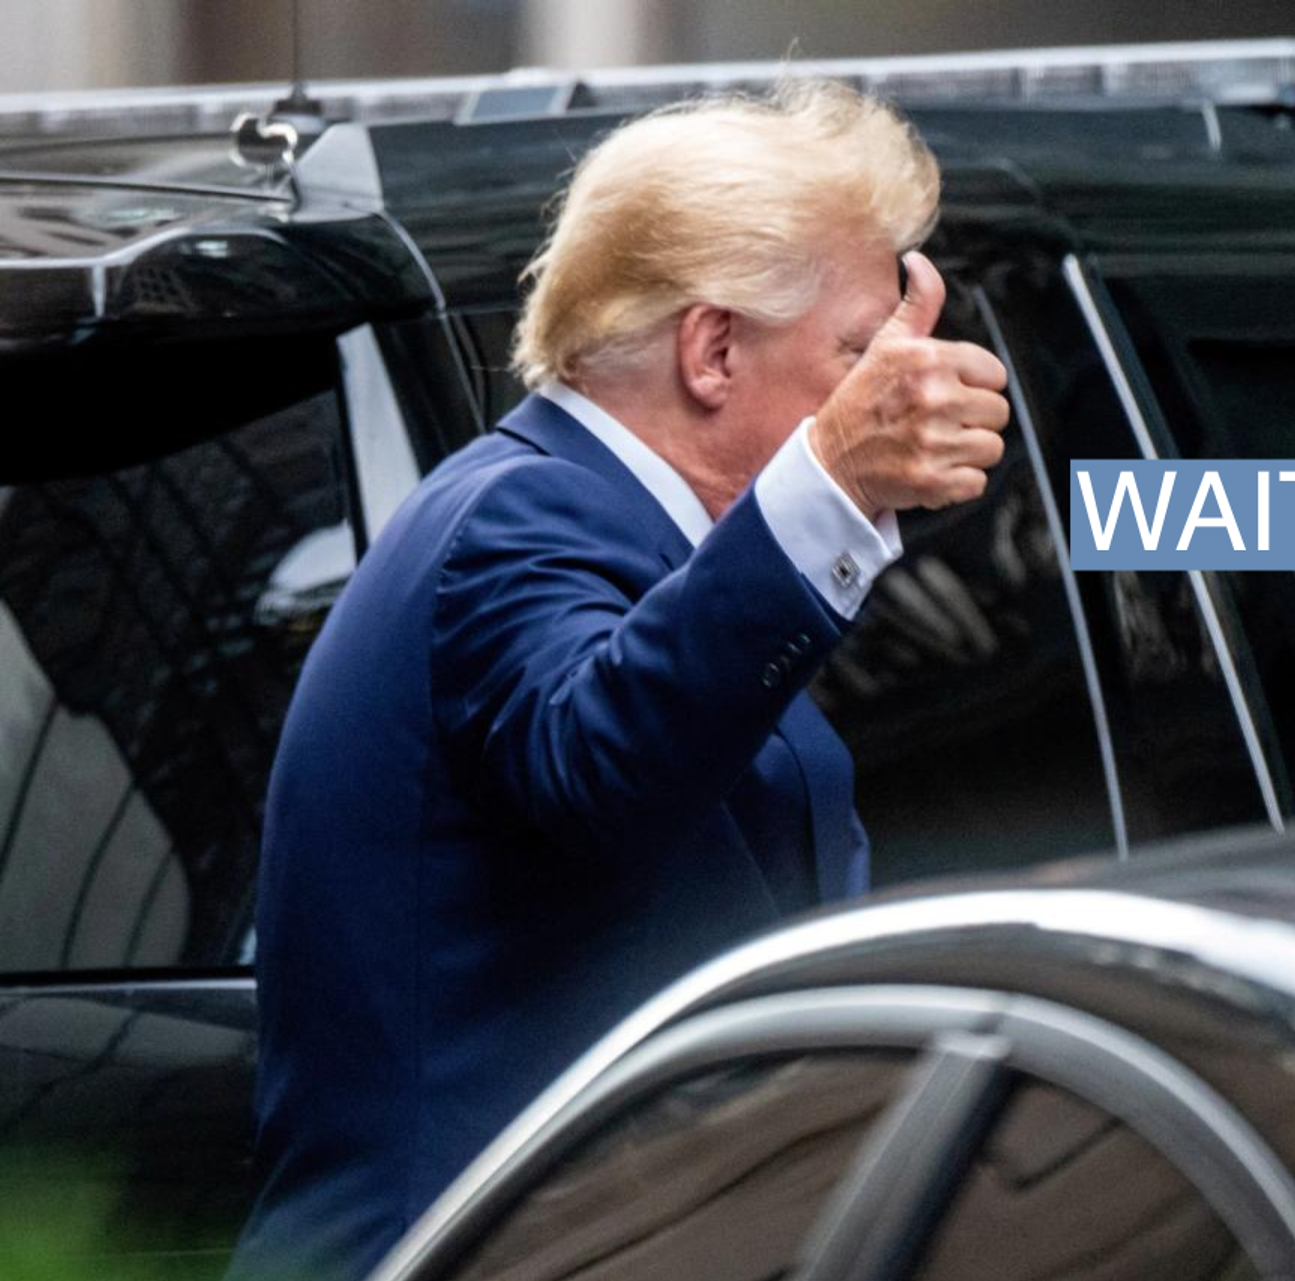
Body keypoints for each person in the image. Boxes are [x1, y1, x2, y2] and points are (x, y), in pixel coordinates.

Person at [228, 81, 1009, 1280]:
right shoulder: (514, 513)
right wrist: (832, 483)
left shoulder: (622, 535)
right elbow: (601, 760)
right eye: (855, 354)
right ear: (712, 349)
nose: (885, 388)